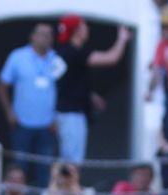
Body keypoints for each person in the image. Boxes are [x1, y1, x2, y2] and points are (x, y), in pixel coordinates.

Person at [0, 22, 68, 187]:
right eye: (42, 34)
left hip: (48, 124)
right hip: (22, 122)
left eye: (49, 34)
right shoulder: (18, 56)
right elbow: (1, 86)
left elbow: (65, 90)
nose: (46, 38)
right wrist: (9, 112)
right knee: (20, 168)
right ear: (32, 36)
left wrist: (57, 117)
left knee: (46, 169)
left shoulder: (57, 59)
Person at [53, 15, 132, 163]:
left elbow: (68, 83)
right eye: (84, 26)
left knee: (69, 156)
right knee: (72, 160)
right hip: (71, 115)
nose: (87, 29)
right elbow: (111, 58)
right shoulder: (74, 52)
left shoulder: (63, 51)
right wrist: (122, 39)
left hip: (66, 113)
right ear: (76, 31)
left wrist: (89, 95)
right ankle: (70, 187)